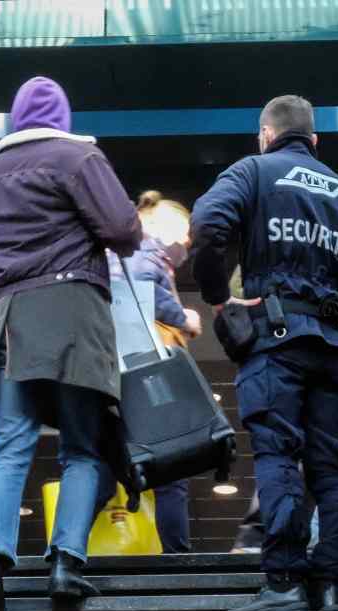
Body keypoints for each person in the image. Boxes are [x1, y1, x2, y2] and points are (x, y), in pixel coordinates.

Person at [192, 95, 338, 611]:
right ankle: (329, 584)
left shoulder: (253, 172)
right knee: (333, 468)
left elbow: (209, 225)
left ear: (265, 134)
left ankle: (282, 582)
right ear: (314, 141)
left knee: (280, 455)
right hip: (335, 349)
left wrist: (218, 297)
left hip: (275, 342)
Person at [0, 76, 142, 611]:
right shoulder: (77, 158)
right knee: (83, 449)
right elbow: (124, 229)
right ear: (61, 118)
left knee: (10, 447)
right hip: (70, 315)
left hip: (5, 321)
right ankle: (66, 563)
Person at [126, 190, 201, 553]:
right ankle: (178, 561)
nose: (187, 241)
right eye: (184, 230)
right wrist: (182, 316)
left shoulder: (128, 248)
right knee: (172, 466)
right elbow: (142, 285)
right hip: (148, 369)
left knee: (100, 464)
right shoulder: (145, 246)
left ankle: (65, 549)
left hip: (122, 367)